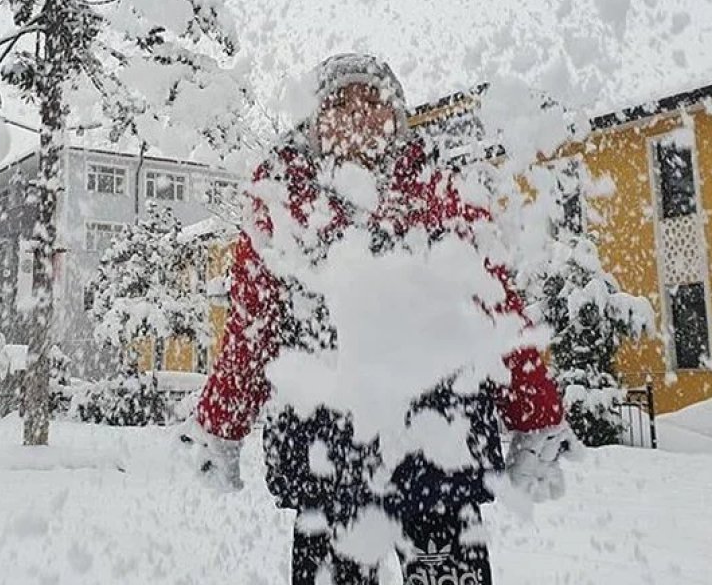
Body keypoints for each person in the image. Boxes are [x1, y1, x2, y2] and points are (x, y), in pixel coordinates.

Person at [181, 54, 578, 585]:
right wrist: (220, 426)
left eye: (372, 101)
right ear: (314, 119)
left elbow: (498, 309)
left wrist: (536, 416)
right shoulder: (282, 197)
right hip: (325, 458)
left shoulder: (442, 189)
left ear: (397, 116)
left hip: (439, 453)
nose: (357, 116)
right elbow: (253, 328)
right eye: (339, 103)